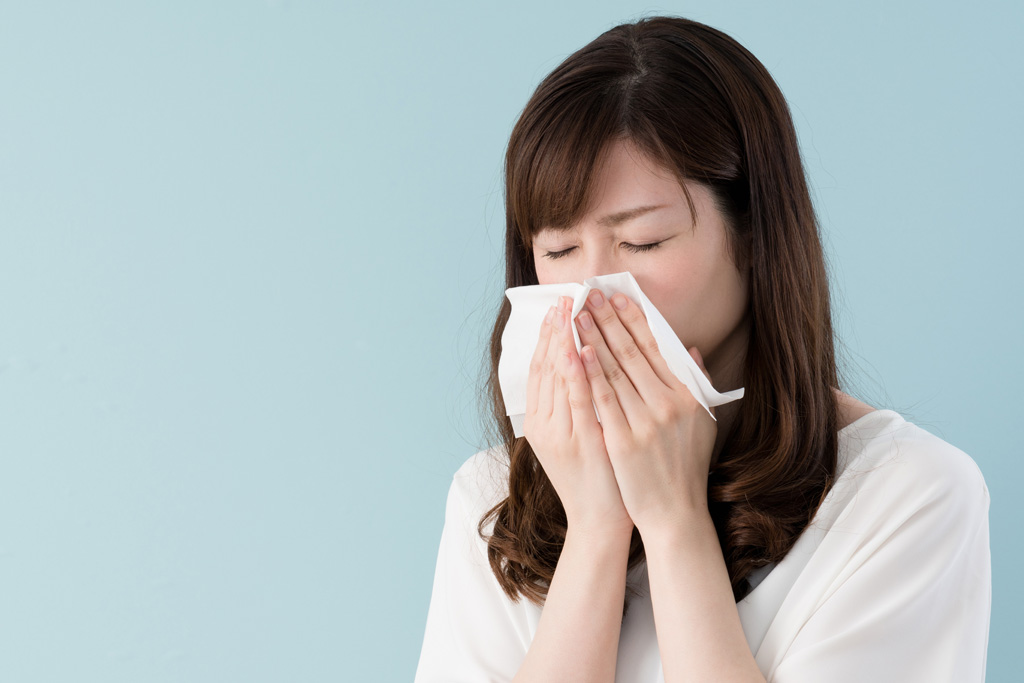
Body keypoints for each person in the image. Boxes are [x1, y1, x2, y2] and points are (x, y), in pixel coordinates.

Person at [414, 15, 991, 683]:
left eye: (643, 242)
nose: (592, 292)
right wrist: (597, 530)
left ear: (753, 237)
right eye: (559, 250)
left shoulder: (907, 495)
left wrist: (674, 522)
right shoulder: (493, 502)